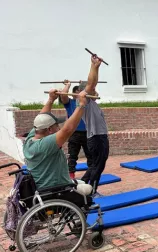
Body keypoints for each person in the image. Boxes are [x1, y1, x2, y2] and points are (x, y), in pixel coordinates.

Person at [23, 60, 102, 196]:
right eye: (55, 126)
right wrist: (81, 105)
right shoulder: (46, 144)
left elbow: (42, 116)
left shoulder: (31, 138)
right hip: (56, 187)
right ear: (48, 130)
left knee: (87, 169)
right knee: (87, 189)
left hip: (43, 185)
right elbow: (67, 130)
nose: (57, 127)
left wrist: (50, 100)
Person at [79, 56, 108, 196]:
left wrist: (97, 67)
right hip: (96, 138)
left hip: (99, 137)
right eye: (93, 91)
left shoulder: (93, 104)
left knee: (97, 164)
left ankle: (82, 184)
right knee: (98, 165)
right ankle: (92, 191)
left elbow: (92, 84)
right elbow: (91, 84)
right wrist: (94, 66)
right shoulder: (87, 103)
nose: (96, 92)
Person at [58, 80, 92, 180]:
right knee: (72, 156)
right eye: (77, 91)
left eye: (80, 91)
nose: (79, 93)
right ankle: (71, 177)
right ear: (74, 93)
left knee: (91, 157)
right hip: (74, 133)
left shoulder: (86, 102)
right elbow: (63, 95)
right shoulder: (70, 103)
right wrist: (68, 85)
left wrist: (84, 83)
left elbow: (94, 91)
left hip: (87, 133)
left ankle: (90, 176)